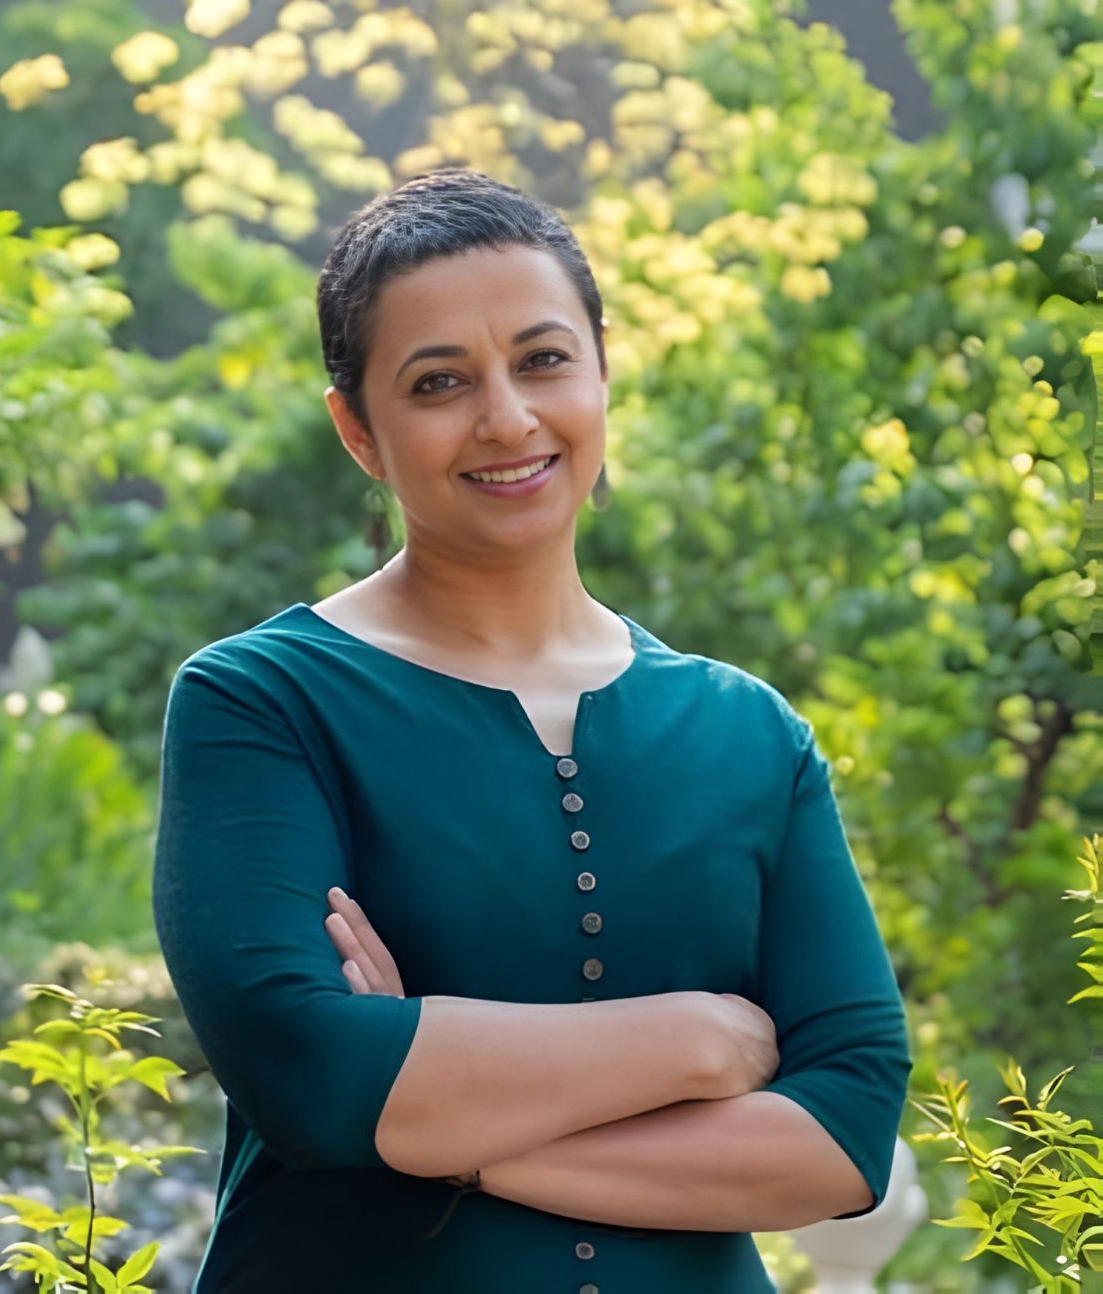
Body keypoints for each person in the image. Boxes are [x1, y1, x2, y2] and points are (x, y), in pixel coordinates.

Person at [151, 166, 913, 1293]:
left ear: (603, 371)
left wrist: (436, 1119)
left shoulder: (750, 733)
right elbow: (311, 1073)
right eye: (437, 381)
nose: (505, 417)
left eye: (543, 360)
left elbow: (843, 1131)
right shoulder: (259, 701)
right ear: (357, 430)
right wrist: (700, 1041)